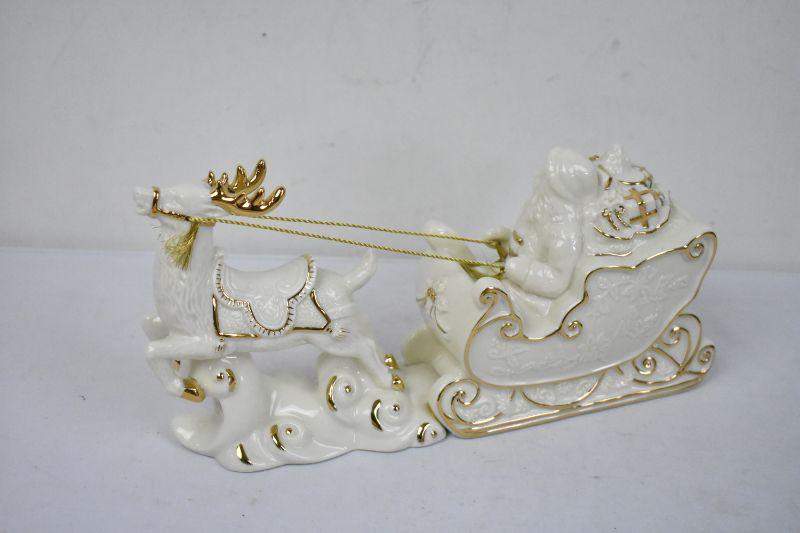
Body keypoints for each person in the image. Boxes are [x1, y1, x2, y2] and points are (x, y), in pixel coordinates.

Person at [486, 148, 601, 299]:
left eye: (547, 179)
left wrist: (524, 271)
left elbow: (557, 280)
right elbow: (530, 242)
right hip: (509, 270)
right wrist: (507, 241)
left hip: (529, 295)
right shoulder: (540, 207)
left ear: (560, 193)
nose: (538, 177)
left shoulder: (564, 233)